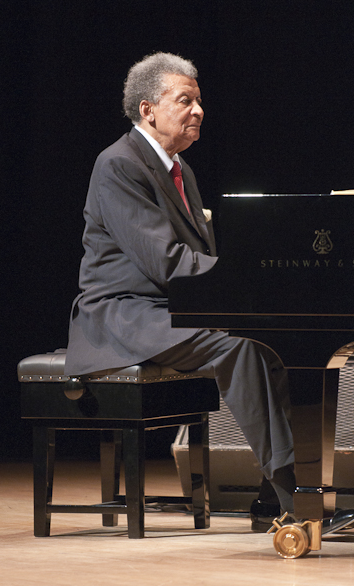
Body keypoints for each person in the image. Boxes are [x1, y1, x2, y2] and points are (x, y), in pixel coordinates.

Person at [64, 52, 353, 533]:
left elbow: (199, 251)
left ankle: (273, 499)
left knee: (270, 343)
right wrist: (240, 275)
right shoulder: (117, 165)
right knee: (242, 347)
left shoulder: (180, 169)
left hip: (170, 309)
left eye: (199, 101)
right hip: (123, 314)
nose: (198, 110)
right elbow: (163, 261)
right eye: (185, 100)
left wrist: (251, 271)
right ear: (148, 109)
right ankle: (296, 505)